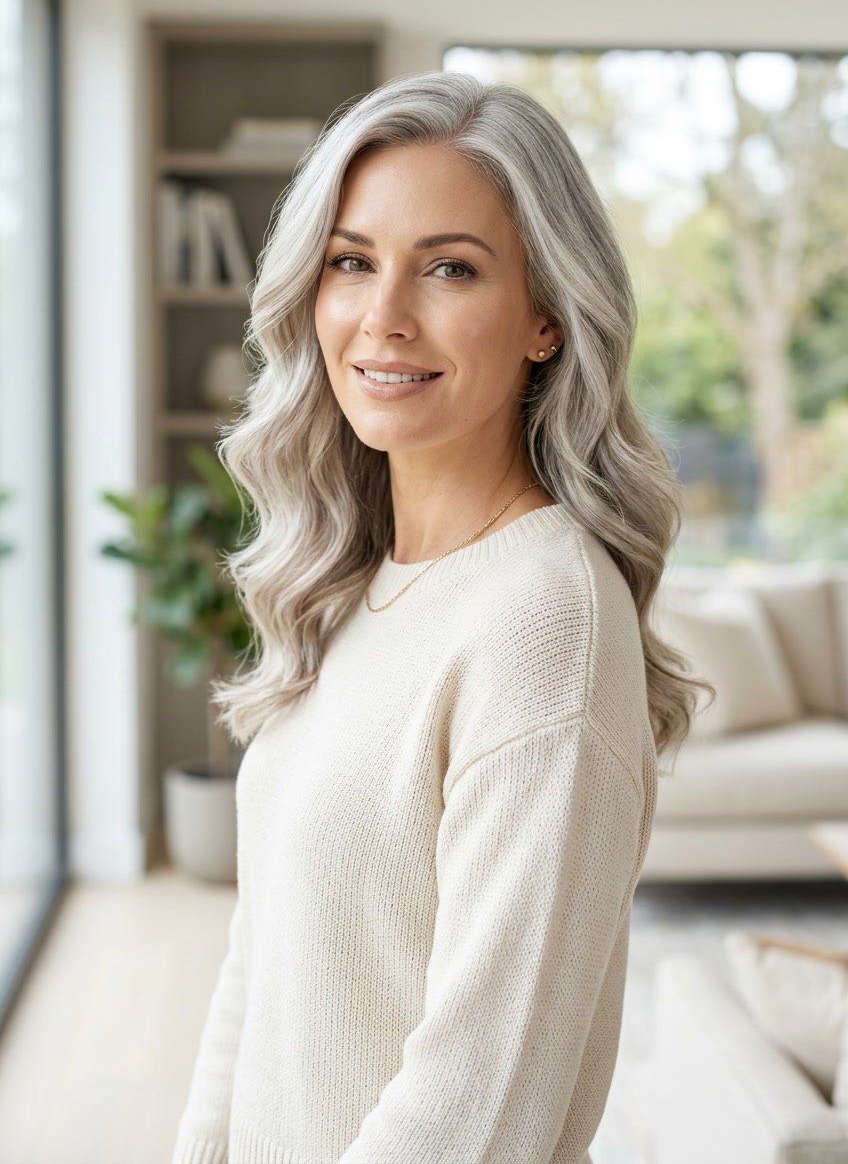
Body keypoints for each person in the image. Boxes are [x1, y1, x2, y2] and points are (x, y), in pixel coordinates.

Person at [171, 70, 710, 1164]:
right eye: (351, 261)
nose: (381, 318)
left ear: (547, 319)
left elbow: (475, 1106)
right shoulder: (354, 580)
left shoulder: (542, 625)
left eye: (448, 268)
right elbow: (260, 961)